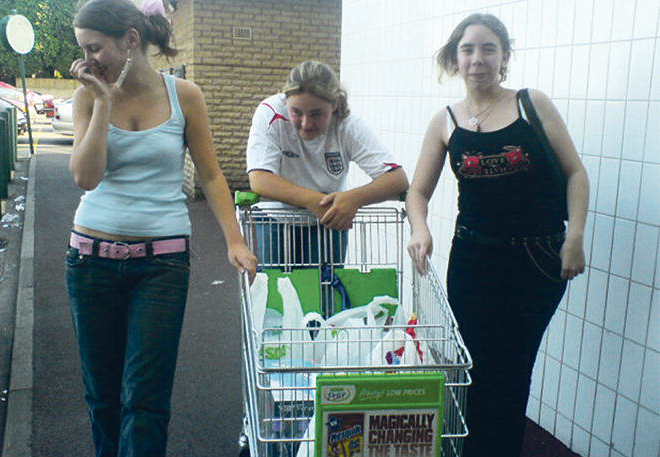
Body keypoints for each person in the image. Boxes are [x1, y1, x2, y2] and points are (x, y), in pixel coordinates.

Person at [65, 0, 257, 455]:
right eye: (83, 49)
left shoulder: (184, 95)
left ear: (131, 40)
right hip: (90, 262)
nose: (86, 61)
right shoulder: (87, 97)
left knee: (146, 400)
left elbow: (211, 175)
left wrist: (234, 240)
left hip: (162, 266)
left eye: (95, 48)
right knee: (102, 395)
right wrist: (103, 101)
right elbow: (86, 177)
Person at [406, 13, 589, 457]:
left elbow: (575, 173)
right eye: (467, 49)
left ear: (505, 56)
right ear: (455, 58)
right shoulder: (446, 121)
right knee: (477, 368)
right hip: (473, 262)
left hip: (538, 261)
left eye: (489, 48)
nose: (477, 58)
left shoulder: (531, 105)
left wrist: (575, 236)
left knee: (515, 369)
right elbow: (417, 191)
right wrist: (420, 228)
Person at [246, 60, 409, 267]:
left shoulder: (347, 125)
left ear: (334, 104)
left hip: (329, 220)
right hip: (276, 219)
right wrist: (314, 201)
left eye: (317, 113)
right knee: (279, 285)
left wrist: (353, 199)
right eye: (296, 112)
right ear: (286, 102)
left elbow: (397, 179)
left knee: (326, 286)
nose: (306, 123)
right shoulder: (270, 113)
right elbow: (260, 179)